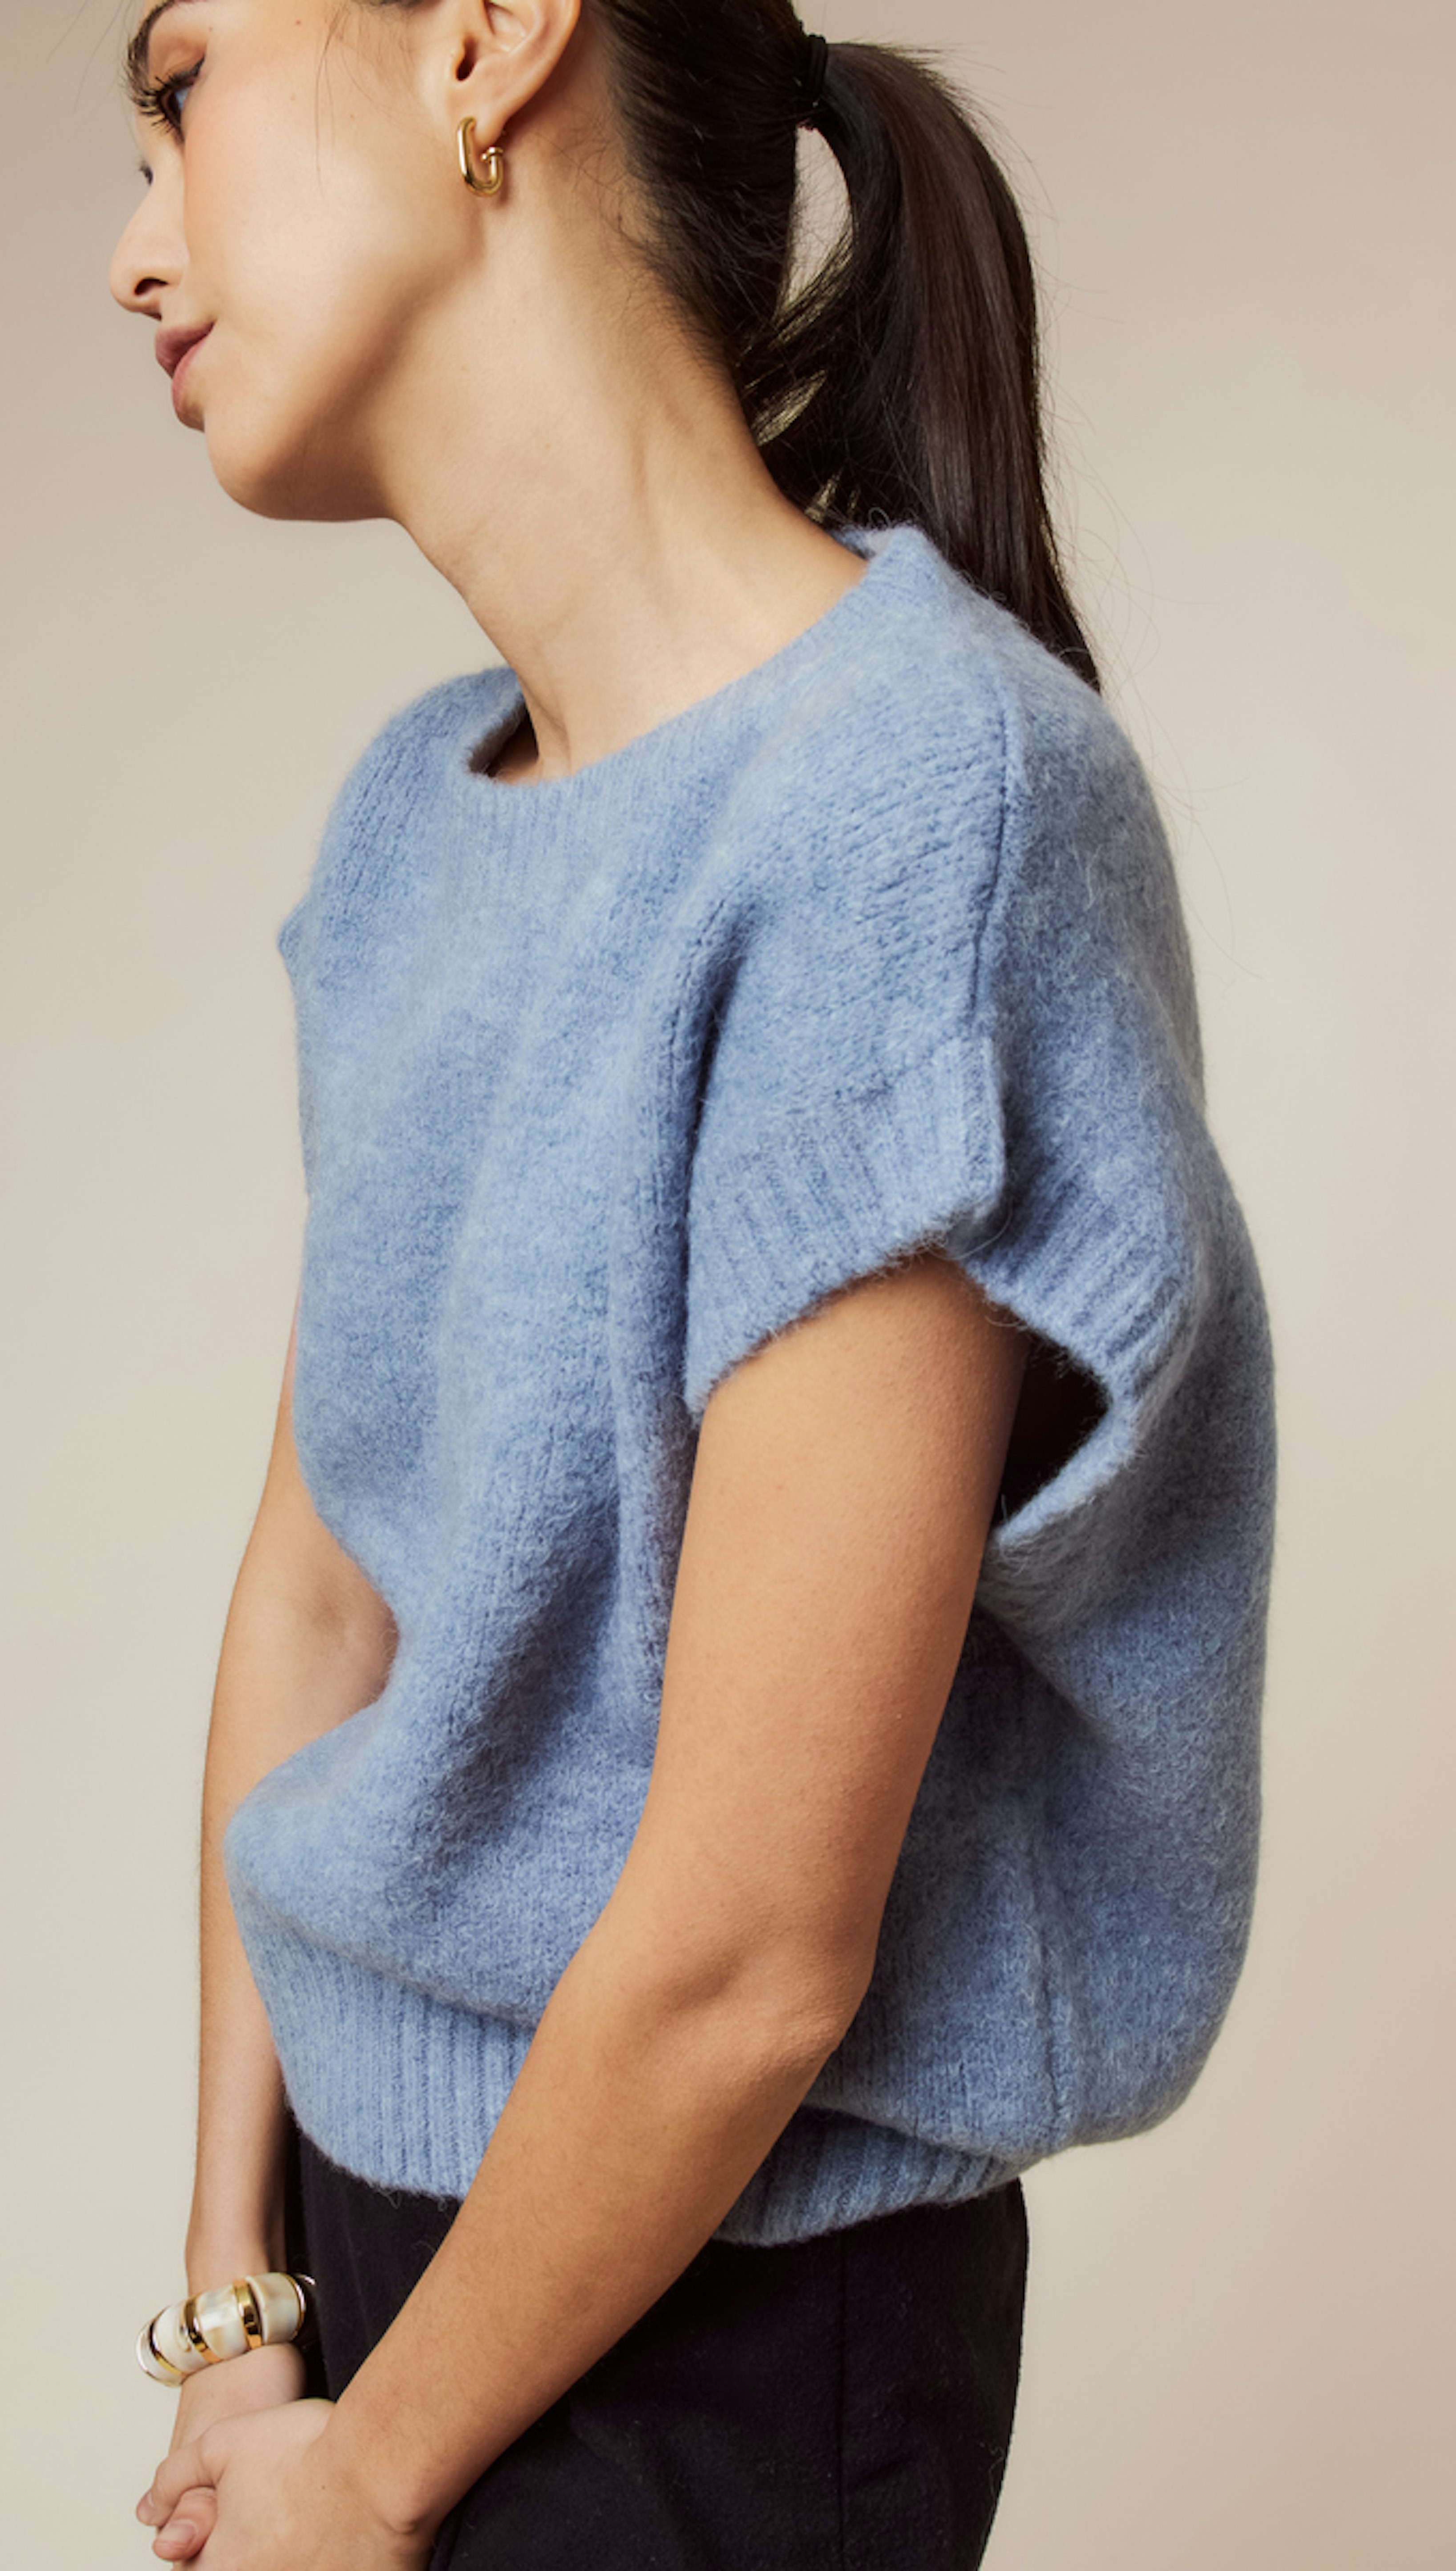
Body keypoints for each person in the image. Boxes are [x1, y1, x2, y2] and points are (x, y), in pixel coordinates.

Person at [108, 0, 1275, 2563]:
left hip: (713, 2327)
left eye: (181, 91)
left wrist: (371, 2480)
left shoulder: (914, 808)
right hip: (358, 2258)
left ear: (485, 43)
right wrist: (237, 2298)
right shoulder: (412, 819)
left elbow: (752, 1949)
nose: (134, 250)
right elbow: (318, 1598)